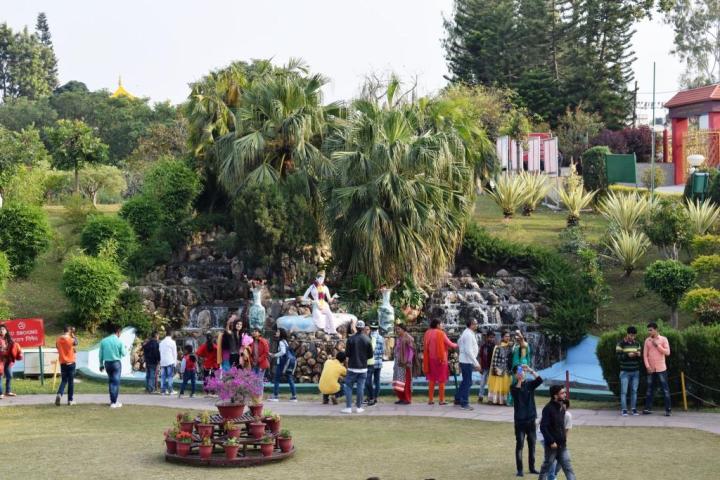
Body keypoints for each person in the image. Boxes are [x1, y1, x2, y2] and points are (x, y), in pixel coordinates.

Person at [511, 365, 543, 477]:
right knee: (520, 445)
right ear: (515, 374)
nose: (522, 373)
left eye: (523, 371)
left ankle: (532, 467)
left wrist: (530, 370)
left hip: (531, 419)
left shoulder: (530, 384)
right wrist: (519, 380)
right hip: (520, 421)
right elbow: (517, 393)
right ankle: (520, 470)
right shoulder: (513, 386)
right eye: (520, 371)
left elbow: (540, 380)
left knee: (532, 444)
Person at [538, 386, 576, 480]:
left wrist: (563, 439)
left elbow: (561, 427)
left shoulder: (562, 408)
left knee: (568, 468)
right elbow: (543, 427)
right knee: (546, 467)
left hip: (562, 445)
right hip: (552, 446)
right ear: (555, 395)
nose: (565, 394)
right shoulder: (548, 409)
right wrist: (551, 442)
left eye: (564, 392)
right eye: (562, 393)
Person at [423, 319, 458, 405]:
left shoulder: (427, 333)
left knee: (432, 379)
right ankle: (441, 400)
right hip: (441, 359)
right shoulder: (441, 333)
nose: (442, 325)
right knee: (441, 379)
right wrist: (459, 344)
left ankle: (430, 400)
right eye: (441, 324)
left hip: (430, 359)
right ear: (438, 325)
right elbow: (450, 344)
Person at [342, 320, 373, 414]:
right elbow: (370, 355)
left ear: (355, 327)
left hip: (352, 367)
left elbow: (347, 354)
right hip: (363, 368)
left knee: (349, 387)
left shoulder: (350, 339)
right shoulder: (367, 339)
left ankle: (348, 407)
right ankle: (359, 407)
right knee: (360, 387)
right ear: (363, 328)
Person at [643, 321, 672, 416]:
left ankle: (668, 410)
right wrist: (647, 366)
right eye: (648, 330)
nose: (649, 332)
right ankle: (647, 409)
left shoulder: (663, 339)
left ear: (656, 330)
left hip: (661, 369)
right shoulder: (647, 340)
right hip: (651, 369)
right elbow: (645, 355)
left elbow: (667, 353)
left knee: (665, 390)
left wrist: (657, 345)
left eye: (651, 330)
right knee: (650, 389)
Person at [98, 324, 127, 408]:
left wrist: (101, 365)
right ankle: (114, 402)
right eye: (120, 332)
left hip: (107, 363)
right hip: (116, 363)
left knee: (111, 382)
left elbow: (100, 354)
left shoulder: (104, 341)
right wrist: (125, 348)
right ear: (118, 331)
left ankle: (112, 401)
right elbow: (124, 353)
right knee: (116, 382)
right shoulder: (119, 341)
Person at [455, 318, 481, 410]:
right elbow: (468, 351)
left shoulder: (466, 333)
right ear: (471, 325)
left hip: (465, 360)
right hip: (466, 361)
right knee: (468, 382)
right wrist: (476, 363)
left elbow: (458, 342)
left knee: (465, 381)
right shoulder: (468, 334)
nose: (476, 325)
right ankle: (464, 403)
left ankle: (458, 399)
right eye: (475, 323)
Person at [616, 325, 642, 416]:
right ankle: (624, 410)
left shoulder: (637, 344)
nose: (632, 337)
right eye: (631, 335)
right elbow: (618, 358)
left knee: (634, 391)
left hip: (635, 371)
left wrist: (638, 355)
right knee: (624, 391)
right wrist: (627, 355)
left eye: (634, 335)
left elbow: (640, 360)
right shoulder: (620, 344)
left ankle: (634, 409)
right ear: (627, 334)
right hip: (625, 372)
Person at [303, 270, 337, 335]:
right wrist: (311, 301)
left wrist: (334, 297)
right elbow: (304, 298)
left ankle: (332, 330)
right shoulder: (312, 287)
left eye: (323, 279)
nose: (322, 280)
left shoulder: (325, 287)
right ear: (316, 278)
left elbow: (329, 299)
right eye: (320, 278)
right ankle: (323, 330)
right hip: (316, 305)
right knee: (318, 318)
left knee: (330, 315)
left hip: (324, 304)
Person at [269, 328, 297, 402]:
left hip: (282, 363)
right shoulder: (285, 341)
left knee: (276, 379)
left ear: (281, 333)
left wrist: (274, 355)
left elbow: (283, 352)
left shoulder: (281, 342)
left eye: (278, 331)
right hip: (287, 363)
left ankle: (275, 396)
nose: (276, 333)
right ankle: (294, 396)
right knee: (290, 378)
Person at [547, 399, 572, 480]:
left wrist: (563, 442)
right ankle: (551, 477)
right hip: (548, 437)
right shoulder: (552, 413)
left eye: (564, 405)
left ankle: (552, 475)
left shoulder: (567, 416)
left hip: (559, 440)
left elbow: (566, 430)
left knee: (564, 458)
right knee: (552, 458)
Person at [392, 323, 416, 405]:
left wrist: (408, 361)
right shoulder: (399, 338)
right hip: (398, 363)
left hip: (405, 363)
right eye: (396, 329)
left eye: (399, 329)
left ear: (403, 329)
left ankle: (407, 399)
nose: (397, 331)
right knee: (398, 380)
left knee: (406, 381)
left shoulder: (408, 338)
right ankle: (401, 398)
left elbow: (411, 350)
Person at [487, 331, 513, 405]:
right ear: (502, 337)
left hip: (507, 369)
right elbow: (494, 359)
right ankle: (495, 400)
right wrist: (495, 370)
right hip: (499, 369)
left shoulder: (510, 347)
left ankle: (504, 401)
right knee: (498, 385)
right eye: (506, 336)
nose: (507, 338)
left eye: (508, 336)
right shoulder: (498, 347)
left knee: (505, 385)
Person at [55, 326, 77, 406]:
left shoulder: (58, 339)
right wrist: (73, 335)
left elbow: (58, 347)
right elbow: (76, 343)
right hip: (71, 362)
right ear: (69, 331)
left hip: (63, 363)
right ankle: (70, 400)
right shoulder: (70, 339)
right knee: (71, 382)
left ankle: (59, 394)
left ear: (63, 331)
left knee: (64, 380)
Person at [0, 323, 22, 398]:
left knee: (9, 376)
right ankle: (0, 393)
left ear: (6, 331)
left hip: (8, 361)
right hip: (1, 360)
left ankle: (8, 391)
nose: (1, 331)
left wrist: (17, 351)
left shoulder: (9, 339)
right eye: (0, 329)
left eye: (3, 329)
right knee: (0, 376)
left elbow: (14, 347)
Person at [365, 322, 384, 406]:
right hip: (379, 362)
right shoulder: (381, 338)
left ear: (370, 328)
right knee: (377, 381)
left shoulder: (368, 337)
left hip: (370, 362)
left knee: (368, 381)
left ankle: (370, 397)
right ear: (377, 328)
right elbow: (383, 351)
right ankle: (375, 397)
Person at [477, 331, 496, 403]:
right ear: (487, 337)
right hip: (485, 367)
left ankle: (490, 398)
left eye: (493, 337)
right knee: (482, 382)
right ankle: (480, 396)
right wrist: (480, 366)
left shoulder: (495, 346)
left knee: (491, 383)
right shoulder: (483, 346)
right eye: (490, 337)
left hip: (492, 367)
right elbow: (480, 356)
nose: (492, 339)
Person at [159, 328, 178, 396]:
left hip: (163, 361)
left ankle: (163, 390)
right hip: (170, 361)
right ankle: (170, 390)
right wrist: (175, 363)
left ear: (165, 334)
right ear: (171, 334)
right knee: (170, 376)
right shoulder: (172, 342)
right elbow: (175, 353)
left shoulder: (161, 342)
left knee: (163, 376)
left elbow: (160, 351)